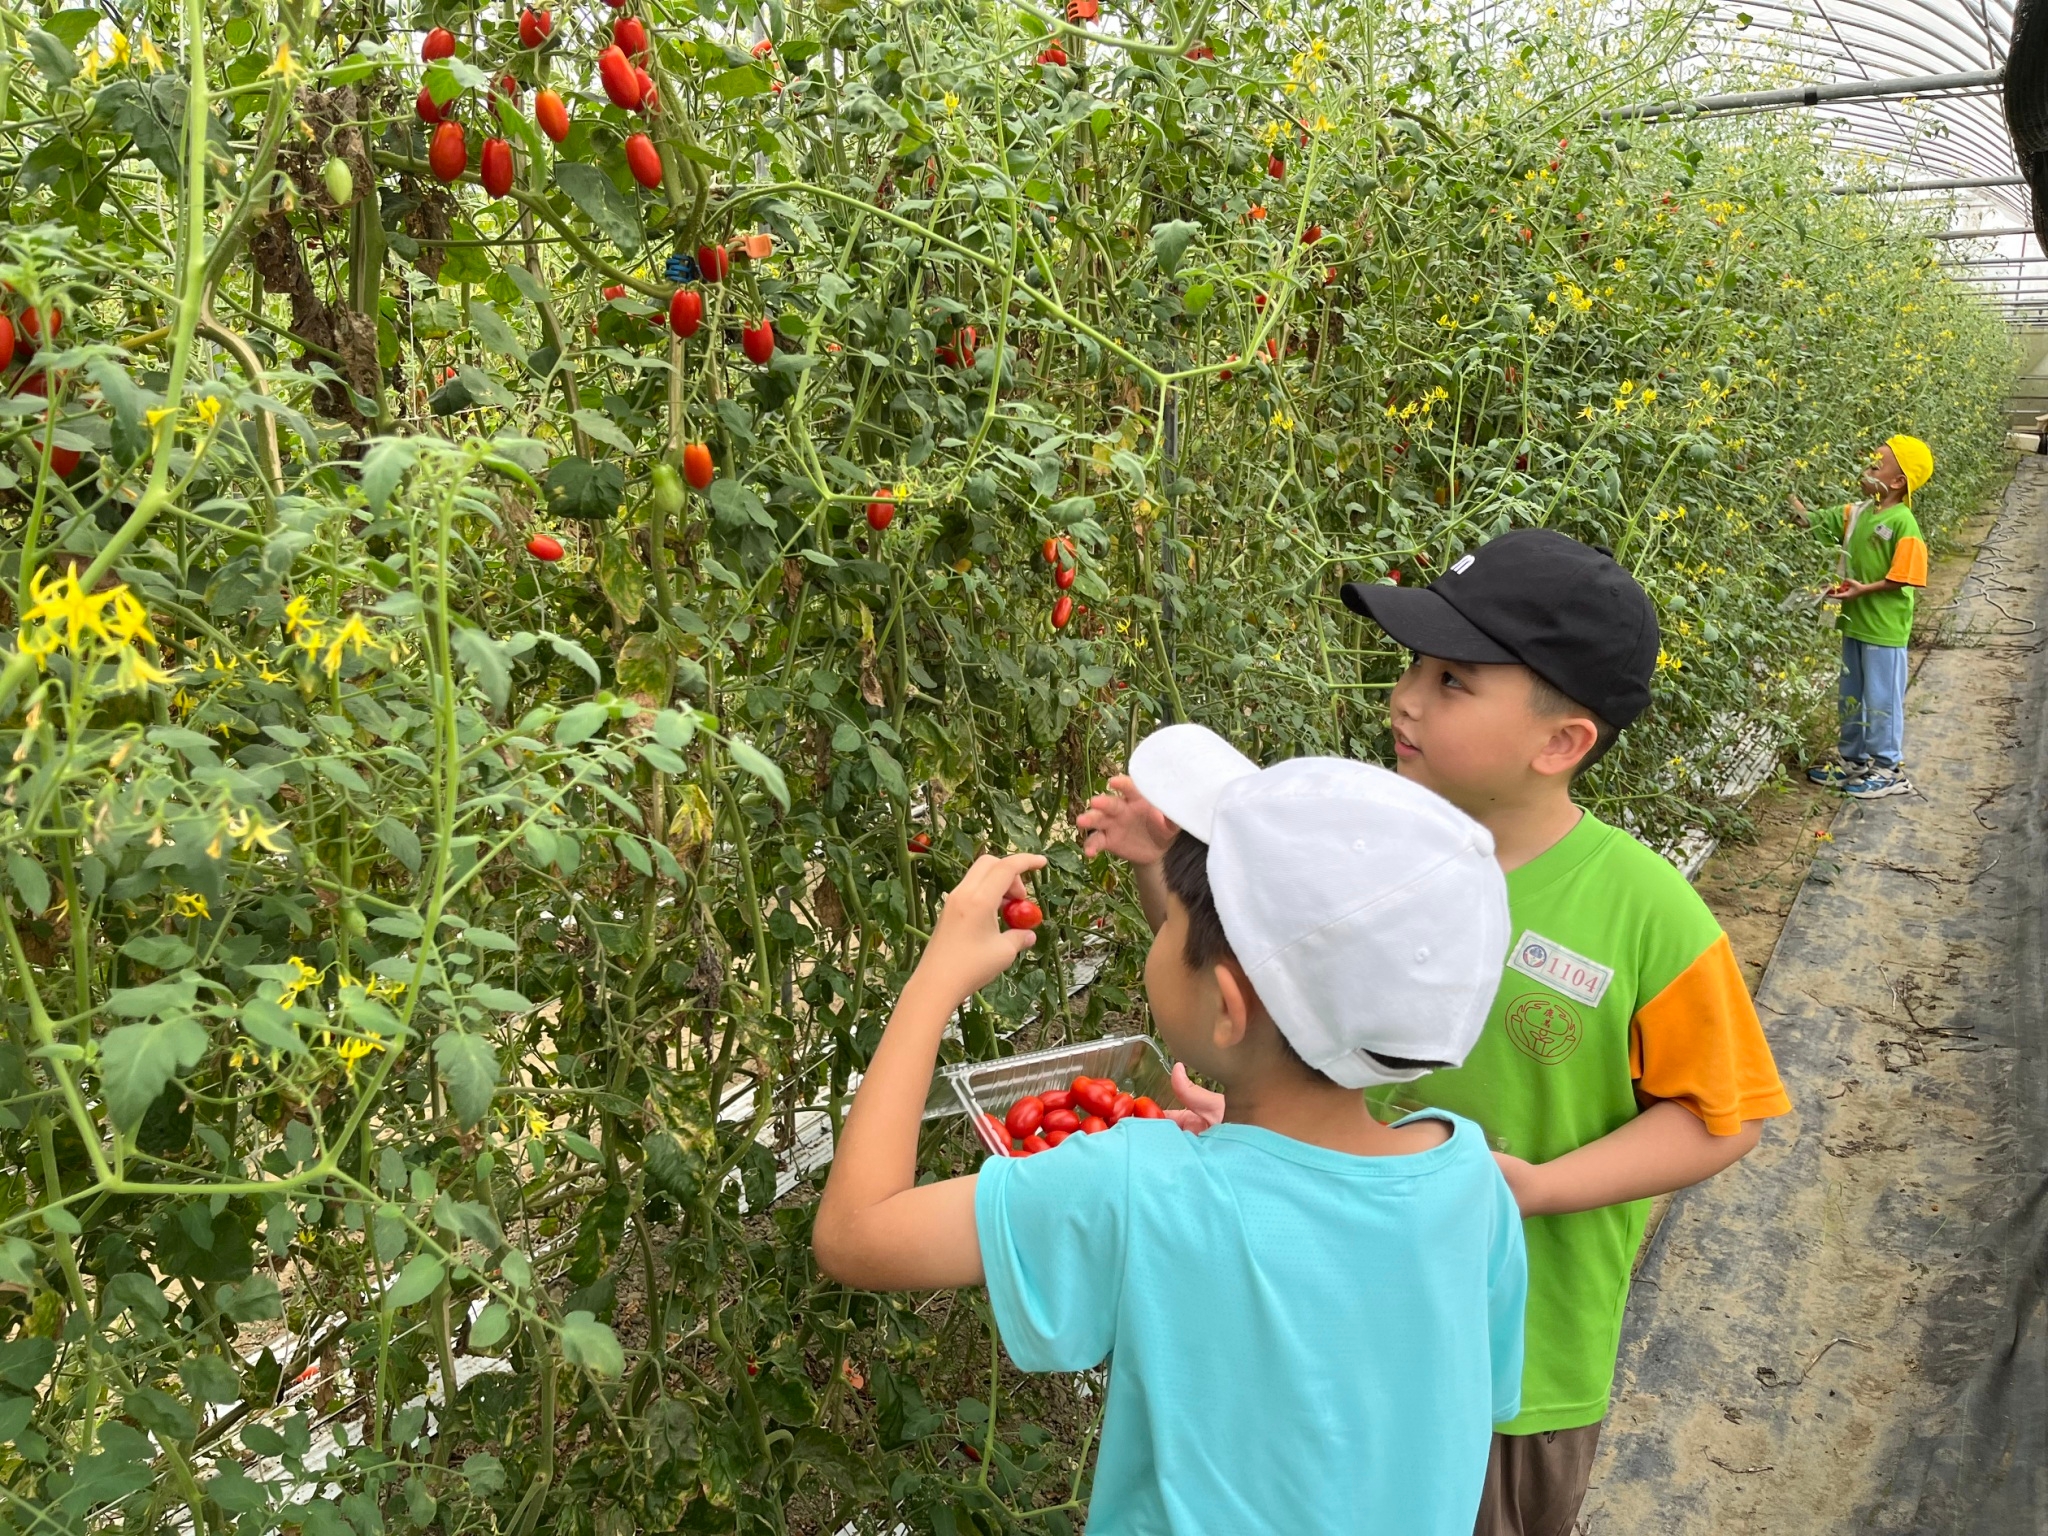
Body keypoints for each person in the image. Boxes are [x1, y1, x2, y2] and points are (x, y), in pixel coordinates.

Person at [1079, 528, 1791, 1536]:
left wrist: (1540, 1188)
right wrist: (1162, 869)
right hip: (1313, 1317)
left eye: (1452, 680)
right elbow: (1237, 986)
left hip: (1508, 1366)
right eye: (1413, 665)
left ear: (1559, 743)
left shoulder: (1646, 916)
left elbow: (1722, 1119)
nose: (1404, 697)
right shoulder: (1358, 854)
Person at [817, 729, 1528, 1534]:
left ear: (1229, 1006)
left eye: (1168, 926)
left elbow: (856, 1233)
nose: (1160, 936)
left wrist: (935, 978)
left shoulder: (1142, 1184)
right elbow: (1456, 1396)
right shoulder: (1471, 1177)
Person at [1789, 434, 1934, 799]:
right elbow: (1807, 520)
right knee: (1851, 695)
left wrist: (1861, 589)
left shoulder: (1904, 523)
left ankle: (1888, 770)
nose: (1865, 468)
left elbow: (1906, 576)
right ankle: (1852, 761)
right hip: (1853, 622)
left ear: (1898, 481)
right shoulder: (1858, 513)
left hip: (1884, 630)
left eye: (1875, 464)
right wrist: (1782, 488)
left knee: (1882, 699)